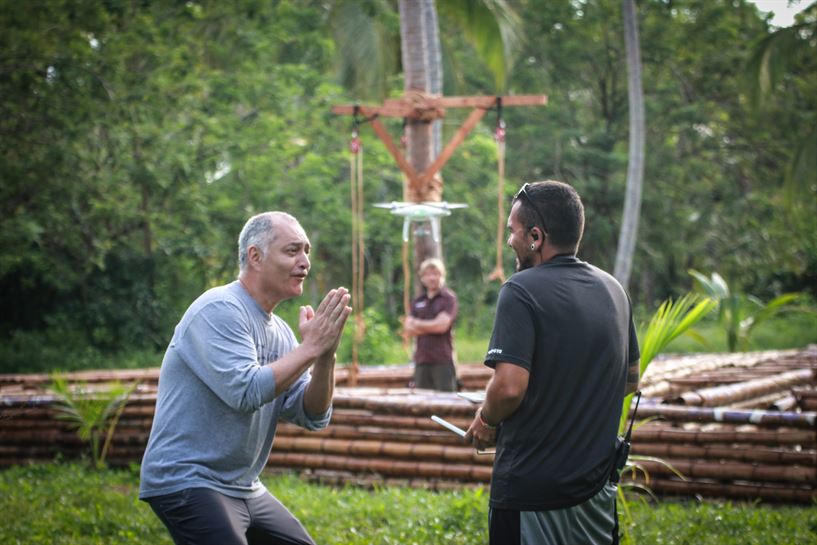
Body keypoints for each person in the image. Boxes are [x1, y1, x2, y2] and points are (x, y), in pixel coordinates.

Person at [139, 211, 352, 545]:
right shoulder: (219, 309)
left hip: (244, 487)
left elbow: (312, 415)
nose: (305, 261)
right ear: (255, 256)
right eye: (292, 250)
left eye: (306, 251)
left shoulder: (281, 332)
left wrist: (325, 356)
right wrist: (310, 347)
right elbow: (246, 391)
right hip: (188, 479)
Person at [465, 181, 640, 545]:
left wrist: (486, 420)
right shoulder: (614, 290)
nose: (509, 241)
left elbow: (510, 387)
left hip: (531, 492)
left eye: (512, 232)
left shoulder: (520, 290)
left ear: (535, 236)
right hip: (596, 491)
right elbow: (630, 380)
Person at [402, 257, 459, 391]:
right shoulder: (418, 301)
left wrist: (417, 324)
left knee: (446, 403)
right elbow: (408, 329)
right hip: (421, 360)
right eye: (428, 274)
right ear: (422, 278)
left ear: (442, 275)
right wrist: (432, 325)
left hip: (442, 360)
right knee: (422, 403)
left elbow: (442, 326)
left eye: (436, 273)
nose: (432, 278)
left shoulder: (448, 298)